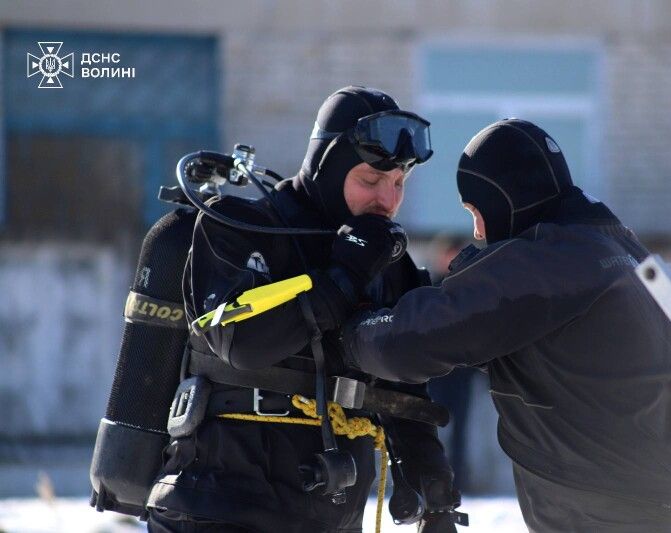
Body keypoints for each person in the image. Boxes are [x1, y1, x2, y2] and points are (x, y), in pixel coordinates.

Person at [339, 119, 671, 532]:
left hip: (617, 516)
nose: (477, 231)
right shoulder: (614, 244)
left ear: (506, 200)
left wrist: (348, 327)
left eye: (476, 211)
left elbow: (409, 341)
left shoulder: (551, 263)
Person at [146, 87, 462, 533]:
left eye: (398, 184)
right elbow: (241, 342)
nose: (387, 201)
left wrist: (436, 500)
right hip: (218, 505)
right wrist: (344, 276)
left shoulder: (387, 262)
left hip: (330, 513)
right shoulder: (239, 226)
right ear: (328, 167)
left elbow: (405, 389)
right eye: (371, 180)